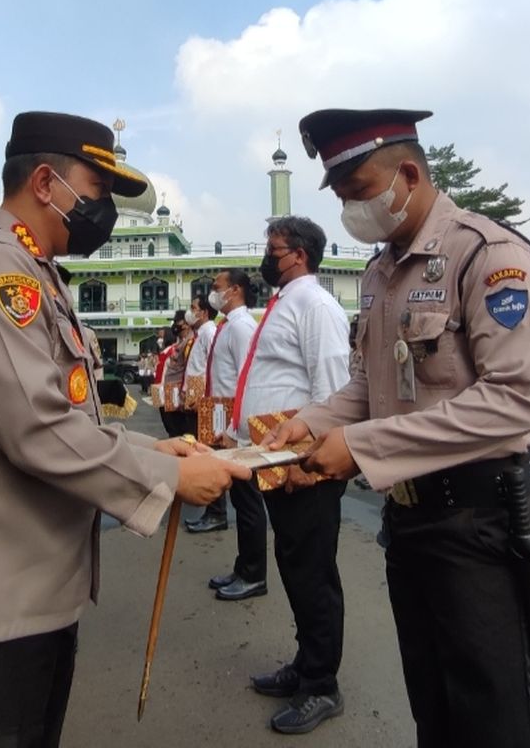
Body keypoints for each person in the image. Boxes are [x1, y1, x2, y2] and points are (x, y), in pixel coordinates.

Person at [0, 112, 248, 746]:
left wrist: (151, 447)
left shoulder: (35, 273)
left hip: (25, 599)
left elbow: (62, 413)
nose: (104, 212)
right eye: (99, 192)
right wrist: (172, 475)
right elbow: (37, 429)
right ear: (48, 183)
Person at [265, 108, 530, 746]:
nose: (350, 208)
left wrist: (362, 446)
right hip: (412, 521)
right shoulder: (380, 272)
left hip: (481, 519)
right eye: (340, 196)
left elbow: (515, 399)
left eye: (359, 190)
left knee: (492, 710)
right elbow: (370, 389)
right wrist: (310, 423)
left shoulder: (489, 255)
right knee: (433, 702)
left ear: (407, 172)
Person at [224, 216, 351, 735]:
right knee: (296, 564)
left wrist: (313, 461)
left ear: (297, 254)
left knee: (313, 572)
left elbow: (334, 387)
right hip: (280, 459)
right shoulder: (285, 303)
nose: (266, 257)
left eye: (272, 249)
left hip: (305, 463)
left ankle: (322, 685)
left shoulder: (316, 305)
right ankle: (305, 664)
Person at [198, 270, 268, 590]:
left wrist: (234, 428)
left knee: (248, 500)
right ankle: (244, 567)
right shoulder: (228, 326)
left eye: (217, 288)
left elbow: (247, 379)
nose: (214, 293)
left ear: (235, 290)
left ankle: (254, 574)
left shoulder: (241, 327)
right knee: (241, 501)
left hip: (237, 426)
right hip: (225, 419)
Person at [182, 292, 225, 533]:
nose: (190, 312)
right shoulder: (201, 334)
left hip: (204, 402)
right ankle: (212, 511)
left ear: (205, 312)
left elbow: (210, 367)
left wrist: (202, 397)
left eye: (193, 307)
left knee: (208, 456)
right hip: (196, 400)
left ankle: (216, 513)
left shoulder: (209, 332)